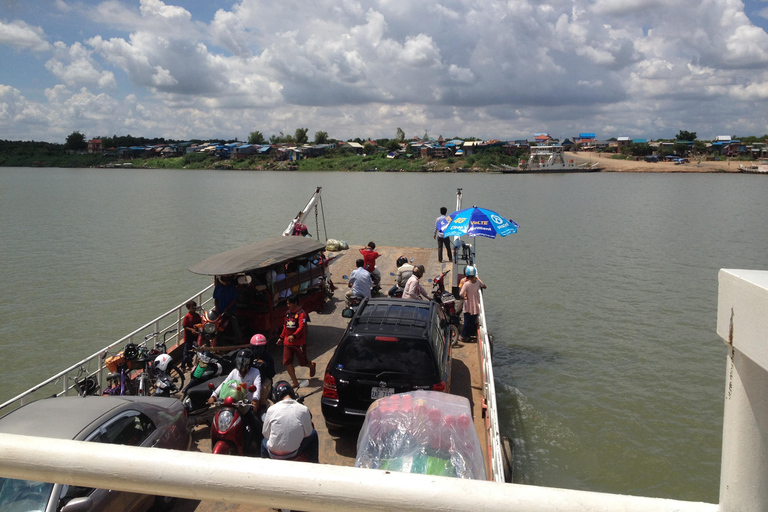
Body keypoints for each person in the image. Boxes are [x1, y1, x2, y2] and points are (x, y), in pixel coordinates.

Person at [208, 348, 263, 449]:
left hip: (246, 405)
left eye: (245, 361)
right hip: (233, 405)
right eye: (240, 361)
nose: (242, 363)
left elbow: (257, 387)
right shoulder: (234, 372)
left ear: (250, 363)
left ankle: (261, 448)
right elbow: (224, 384)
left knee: (257, 426)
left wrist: (255, 399)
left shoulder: (255, 372)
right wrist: (214, 395)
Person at [261, 381, 319, 463]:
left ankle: (264, 467)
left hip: (273, 454)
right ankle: (314, 463)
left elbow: (266, 434)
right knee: (314, 434)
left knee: (263, 442)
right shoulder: (303, 409)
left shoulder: (271, 410)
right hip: (293, 453)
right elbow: (308, 433)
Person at [277, 295, 316, 388]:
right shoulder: (287, 313)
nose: (288, 305)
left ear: (295, 303)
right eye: (287, 304)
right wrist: (281, 338)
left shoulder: (301, 313)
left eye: (289, 303)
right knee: (287, 362)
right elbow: (285, 327)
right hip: (288, 343)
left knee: (302, 363)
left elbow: (301, 327)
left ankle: (311, 365)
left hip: (299, 343)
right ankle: (295, 382)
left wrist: (294, 336)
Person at [459, 265, 486, 343]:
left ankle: (463, 336)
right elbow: (484, 286)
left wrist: (464, 297)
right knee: (472, 321)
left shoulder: (466, 284)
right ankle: (468, 336)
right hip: (475, 305)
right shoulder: (477, 282)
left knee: (467, 321)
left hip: (467, 305)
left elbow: (461, 293)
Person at [213, 274, 242, 342]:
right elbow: (216, 298)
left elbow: (234, 300)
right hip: (220, 311)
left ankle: (239, 340)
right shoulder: (218, 287)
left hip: (230, 311)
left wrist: (227, 308)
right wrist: (217, 308)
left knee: (235, 325)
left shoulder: (233, 287)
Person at [249, 333, 275, 407]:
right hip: (250, 383)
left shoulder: (268, 358)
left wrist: (265, 366)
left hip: (264, 384)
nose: (258, 350)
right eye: (256, 348)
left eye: (261, 347)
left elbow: (272, 374)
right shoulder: (250, 356)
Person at [181, 300, 201, 370]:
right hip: (188, 336)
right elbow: (184, 326)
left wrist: (197, 327)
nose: (194, 308)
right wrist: (192, 329)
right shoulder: (187, 317)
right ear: (189, 308)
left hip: (195, 336)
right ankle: (183, 365)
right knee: (186, 351)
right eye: (192, 307)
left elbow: (200, 323)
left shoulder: (197, 316)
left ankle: (189, 363)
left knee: (193, 350)